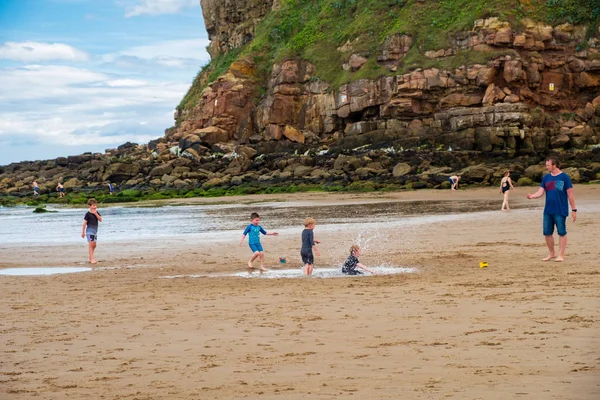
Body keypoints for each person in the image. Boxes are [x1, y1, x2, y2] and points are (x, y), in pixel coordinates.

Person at [526, 156, 577, 262]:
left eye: (548, 165)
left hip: (560, 210)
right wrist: (532, 196)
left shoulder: (564, 177)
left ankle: (561, 255)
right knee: (547, 232)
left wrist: (574, 210)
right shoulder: (546, 178)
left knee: (561, 232)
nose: (546, 167)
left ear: (554, 165)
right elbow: (540, 192)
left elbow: (570, 195)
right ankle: (552, 254)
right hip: (548, 210)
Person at [81, 198, 103, 264]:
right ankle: (92, 259)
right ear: (89, 206)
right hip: (89, 231)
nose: (95, 207)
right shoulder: (87, 214)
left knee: (94, 245)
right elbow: (84, 223)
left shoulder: (96, 212)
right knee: (91, 244)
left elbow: (100, 219)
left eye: (95, 205)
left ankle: (91, 258)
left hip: (95, 231)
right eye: (93, 205)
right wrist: (83, 232)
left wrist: (96, 213)